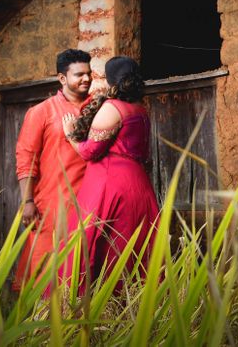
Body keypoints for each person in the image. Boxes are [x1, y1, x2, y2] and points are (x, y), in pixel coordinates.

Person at [58, 55, 159, 295]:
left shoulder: (113, 108)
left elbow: (89, 152)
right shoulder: (140, 111)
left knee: (95, 246)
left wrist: (71, 134)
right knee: (132, 246)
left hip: (110, 184)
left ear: (111, 79)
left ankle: (89, 307)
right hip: (139, 186)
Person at [12, 48, 93, 292]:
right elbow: (26, 157)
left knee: (86, 265)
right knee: (44, 269)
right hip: (53, 203)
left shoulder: (99, 108)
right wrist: (27, 200)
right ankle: (41, 325)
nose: (86, 79)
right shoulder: (42, 112)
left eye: (89, 74)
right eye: (79, 74)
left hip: (92, 200)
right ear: (62, 78)